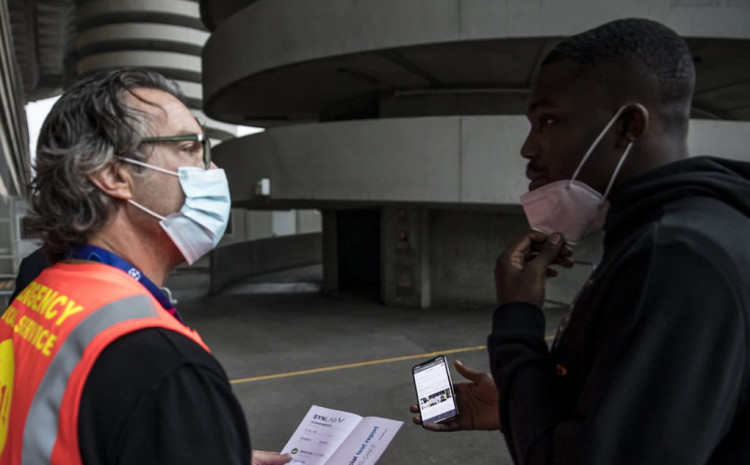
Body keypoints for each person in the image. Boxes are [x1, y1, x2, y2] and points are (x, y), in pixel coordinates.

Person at [411, 18, 750, 464]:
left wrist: (517, 320)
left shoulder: (674, 257)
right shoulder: (694, 231)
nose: (528, 148)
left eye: (547, 120)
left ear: (628, 125)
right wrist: (520, 402)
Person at [0, 68, 291, 465]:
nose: (213, 171)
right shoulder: (164, 366)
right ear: (115, 175)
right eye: (190, 148)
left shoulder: (40, 290)